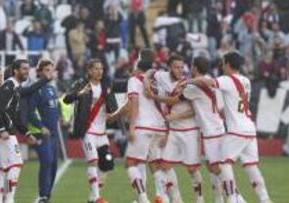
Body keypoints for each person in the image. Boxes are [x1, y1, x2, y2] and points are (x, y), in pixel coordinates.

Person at [187, 51, 273, 203]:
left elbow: (209, 82)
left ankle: (232, 199)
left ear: (227, 64)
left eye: (223, 62)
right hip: (250, 128)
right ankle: (265, 199)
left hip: (237, 129)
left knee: (222, 163)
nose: (222, 65)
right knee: (251, 167)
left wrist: (189, 81)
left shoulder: (227, 79)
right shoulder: (246, 80)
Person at [110, 53, 169, 203]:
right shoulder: (158, 82)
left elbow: (133, 103)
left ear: (137, 68)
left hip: (143, 126)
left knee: (130, 163)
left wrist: (132, 127)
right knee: (155, 164)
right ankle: (163, 198)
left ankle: (143, 199)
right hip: (160, 127)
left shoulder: (134, 80)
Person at [144, 54, 202, 203]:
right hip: (173, 132)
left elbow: (194, 110)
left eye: (182, 67)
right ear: (169, 67)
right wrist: (145, 82)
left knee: (192, 169)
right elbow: (150, 72)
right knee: (165, 166)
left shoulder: (188, 85)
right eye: (176, 67)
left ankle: (199, 199)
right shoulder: (162, 76)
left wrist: (175, 117)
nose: (180, 70)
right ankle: (176, 199)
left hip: (189, 130)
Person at [64, 59, 120, 203]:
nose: (99, 71)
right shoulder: (81, 83)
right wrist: (79, 94)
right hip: (87, 130)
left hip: (102, 132)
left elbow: (112, 105)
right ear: (89, 71)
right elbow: (66, 99)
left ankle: (92, 197)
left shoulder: (106, 85)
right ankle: (96, 198)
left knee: (107, 164)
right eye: (95, 69)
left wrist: (113, 114)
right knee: (93, 161)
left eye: (101, 68)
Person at [0, 59, 37, 203]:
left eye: (27, 69)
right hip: (4, 132)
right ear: (15, 70)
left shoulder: (14, 87)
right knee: (16, 164)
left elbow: (14, 116)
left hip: (3, 131)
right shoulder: (9, 85)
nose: (26, 71)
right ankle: (9, 200)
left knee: (1, 167)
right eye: (23, 69)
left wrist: (27, 132)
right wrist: (2, 129)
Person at [28, 59, 60, 203]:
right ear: (40, 72)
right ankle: (42, 195)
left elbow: (55, 108)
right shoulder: (35, 89)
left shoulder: (52, 89)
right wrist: (40, 127)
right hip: (42, 133)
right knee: (46, 161)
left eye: (51, 70)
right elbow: (30, 112)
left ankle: (47, 195)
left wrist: (62, 118)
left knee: (53, 164)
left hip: (54, 133)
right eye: (47, 70)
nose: (50, 73)